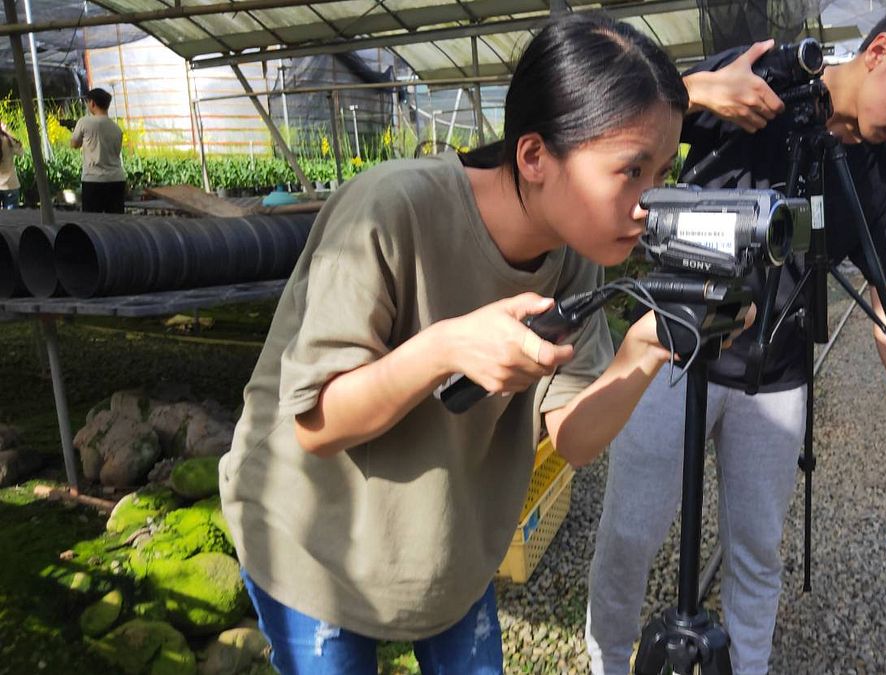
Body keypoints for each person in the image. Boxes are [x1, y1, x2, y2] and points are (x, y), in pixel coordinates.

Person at [218, 13, 691, 675]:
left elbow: (575, 437)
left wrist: (647, 347)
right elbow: (317, 423)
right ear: (533, 156)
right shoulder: (390, 210)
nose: (652, 202)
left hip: (447, 554)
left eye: (663, 171)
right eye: (632, 170)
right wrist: (442, 348)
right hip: (314, 545)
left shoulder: (575, 255)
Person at [585, 1, 886, 673]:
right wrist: (690, 91)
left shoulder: (885, 181)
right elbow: (610, 126)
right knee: (630, 533)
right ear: (879, 55)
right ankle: (606, 659)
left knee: (756, 550)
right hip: (672, 348)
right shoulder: (762, 77)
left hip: (774, 379)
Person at [70, 88, 126, 213]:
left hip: (93, 180)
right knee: (115, 222)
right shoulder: (117, 128)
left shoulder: (84, 122)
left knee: (92, 225)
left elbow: (74, 144)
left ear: (92, 103)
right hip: (116, 179)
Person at [0, 121, 23, 209]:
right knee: (11, 220)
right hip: (11, 184)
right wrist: (7, 132)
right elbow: (21, 152)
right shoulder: (7, 140)